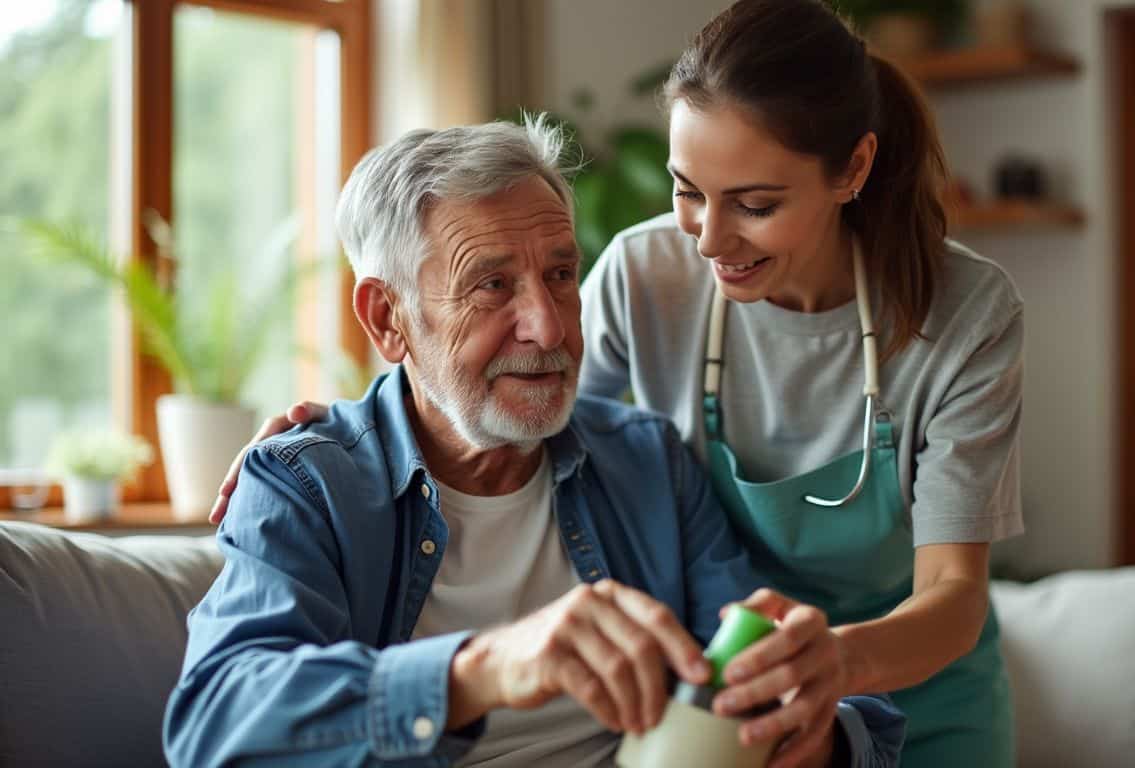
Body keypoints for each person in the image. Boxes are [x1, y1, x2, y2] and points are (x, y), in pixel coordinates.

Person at [214, 0, 1025, 764]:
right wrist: (346, 434)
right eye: (686, 191)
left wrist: (819, 703)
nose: (709, 239)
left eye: (754, 203)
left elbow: (949, 595)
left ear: (852, 170)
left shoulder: (957, 315)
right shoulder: (649, 274)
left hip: (896, 687)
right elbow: (495, 393)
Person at [164, 119, 906, 768]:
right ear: (388, 318)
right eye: (491, 286)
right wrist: (483, 669)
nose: (548, 327)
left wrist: (819, 734)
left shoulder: (648, 462)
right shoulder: (304, 485)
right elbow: (214, 725)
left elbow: (760, 674)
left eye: (559, 275)